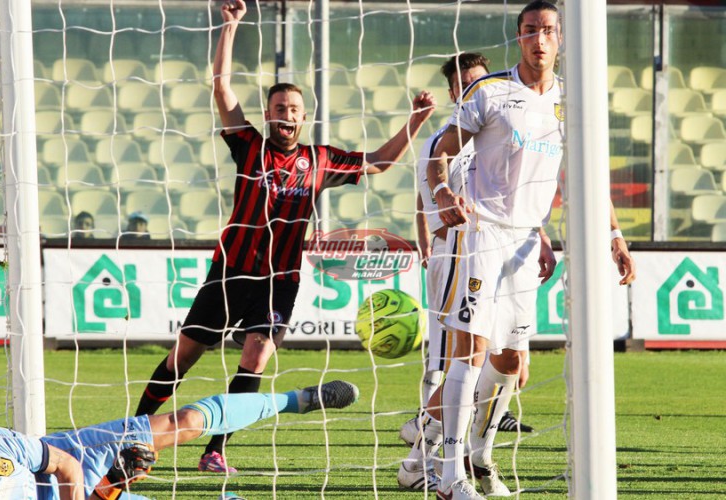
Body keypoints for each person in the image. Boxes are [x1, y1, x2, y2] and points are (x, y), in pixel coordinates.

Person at [134, 0, 435, 475]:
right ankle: (133, 435)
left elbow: (378, 162)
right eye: (278, 108)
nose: (286, 115)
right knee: (184, 355)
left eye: (293, 109)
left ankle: (215, 449)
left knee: (255, 358)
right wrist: (230, 26)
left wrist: (414, 123)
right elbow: (221, 87)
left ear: (303, 115)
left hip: (279, 280)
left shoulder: (319, 160)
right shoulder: (248, 145)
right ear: (268, 114)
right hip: (230, 271)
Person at [428, 2, 636, 499]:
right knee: (470, 351)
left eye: (547, 31)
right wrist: (440, 192)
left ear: (562, 38)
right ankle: (448, 474)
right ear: (518, 37)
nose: (538, 40)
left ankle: (478, 455)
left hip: (525, 239)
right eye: (529, 31)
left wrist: (614, 236)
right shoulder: (491, 91)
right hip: (480, 231)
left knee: (510, 360)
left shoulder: (573, 100)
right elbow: (443, 147)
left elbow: (586, 177)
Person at [0, 380, 359, 500]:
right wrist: (111, 487)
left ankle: (297, 400)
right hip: (84, 496)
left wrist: (104, 479)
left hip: (76, 456)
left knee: (184, 420)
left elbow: (64, 465)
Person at [399, 52, 492, 492]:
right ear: (455, 92)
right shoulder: (443, 140)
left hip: (487, 255)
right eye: (467, 83)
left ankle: (426, 444)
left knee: (484, 360)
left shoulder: (490, 133)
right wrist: (427, 242)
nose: (476, 87)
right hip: (453, 255)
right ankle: (424, 451)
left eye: (482, 79)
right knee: (446, 361)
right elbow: (428, 199)